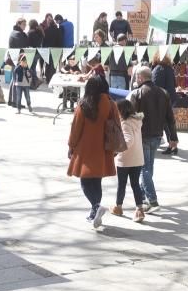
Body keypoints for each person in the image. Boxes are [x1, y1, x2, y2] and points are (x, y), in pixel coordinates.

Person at [68, 76, 119, 227]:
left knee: (85, 182)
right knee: (97, 181)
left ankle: (96, 207)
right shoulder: (111, 104)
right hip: (103, 148)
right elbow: (117, 126)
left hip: (85, 148)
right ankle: (95, 210)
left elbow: (75, 129)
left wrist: (71, 145)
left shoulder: (83, 105)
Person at [129, 66, 178, 208]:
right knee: (149, 167)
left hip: (142, 135)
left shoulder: (137, 93)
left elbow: (130, 117)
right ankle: (143, 196)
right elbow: (170, 118)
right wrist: (173, 138)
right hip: (157, 136)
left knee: (144, 168)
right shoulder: (163, 93)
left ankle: (152, 199)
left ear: (140, 78)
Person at [111, 98, 145, 223]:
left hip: (125, 160)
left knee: (122, 184)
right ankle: (139, 209)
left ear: (121, 111)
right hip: (138, 158)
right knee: (135, 184)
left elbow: (128, 140)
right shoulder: (137, 121)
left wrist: (117, 150)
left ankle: (118, 207)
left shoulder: (125, 123)